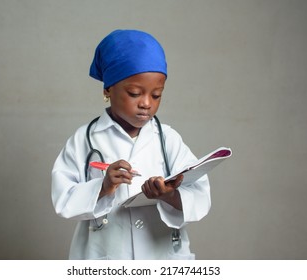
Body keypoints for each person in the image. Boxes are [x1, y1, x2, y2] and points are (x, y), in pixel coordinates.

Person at [51, 29, 211, 260]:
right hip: (105, 257)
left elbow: (198, 196)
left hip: (163, 256)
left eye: (156, 95)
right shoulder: (84, 139)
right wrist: (102, 187)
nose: (146, 103)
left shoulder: (168, 138)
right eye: (135, 93)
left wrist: (167, 195)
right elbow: (63, 198)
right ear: (108, 89)